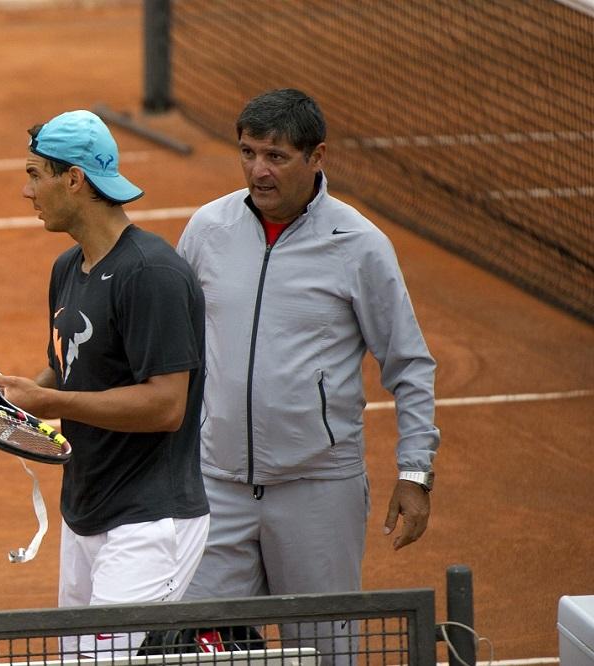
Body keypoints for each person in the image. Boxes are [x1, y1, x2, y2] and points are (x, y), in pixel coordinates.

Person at [176, 89, 440, 663]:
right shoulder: (207, 229)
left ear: (317, 156)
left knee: (322, 653)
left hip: (319, 490)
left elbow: (408, 361)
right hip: (217, 485)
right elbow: (179, 349)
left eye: (275, 156)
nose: (257, 170)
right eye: (247, 152)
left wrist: (415, 473)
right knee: (192, 649)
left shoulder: (360, 246)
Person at [0, 109, 210, 658]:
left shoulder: (151, 274)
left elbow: (165, 405)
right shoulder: (68, 268)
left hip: (150, 520)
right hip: (84, 512)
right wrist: (15, 398)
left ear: (75, 180)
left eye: (36, 175)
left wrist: (52, 400)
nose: (25, 190)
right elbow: (67, 369)